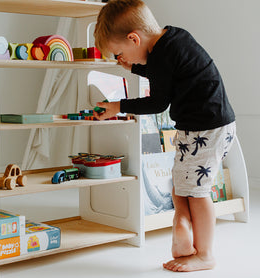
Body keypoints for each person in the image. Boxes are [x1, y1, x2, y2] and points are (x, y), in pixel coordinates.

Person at [93, 0, 236, 272]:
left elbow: (158, 102)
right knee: (181, 184)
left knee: (198, 192)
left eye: (119, 53)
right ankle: (183, 229)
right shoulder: (174, 38)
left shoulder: (161, 56)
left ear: (134, 38)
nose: (121, 59)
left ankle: (205, 254)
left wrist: (117, 106)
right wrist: (133, 68)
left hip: (206, 129)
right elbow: (165, 73)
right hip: (203, 127)